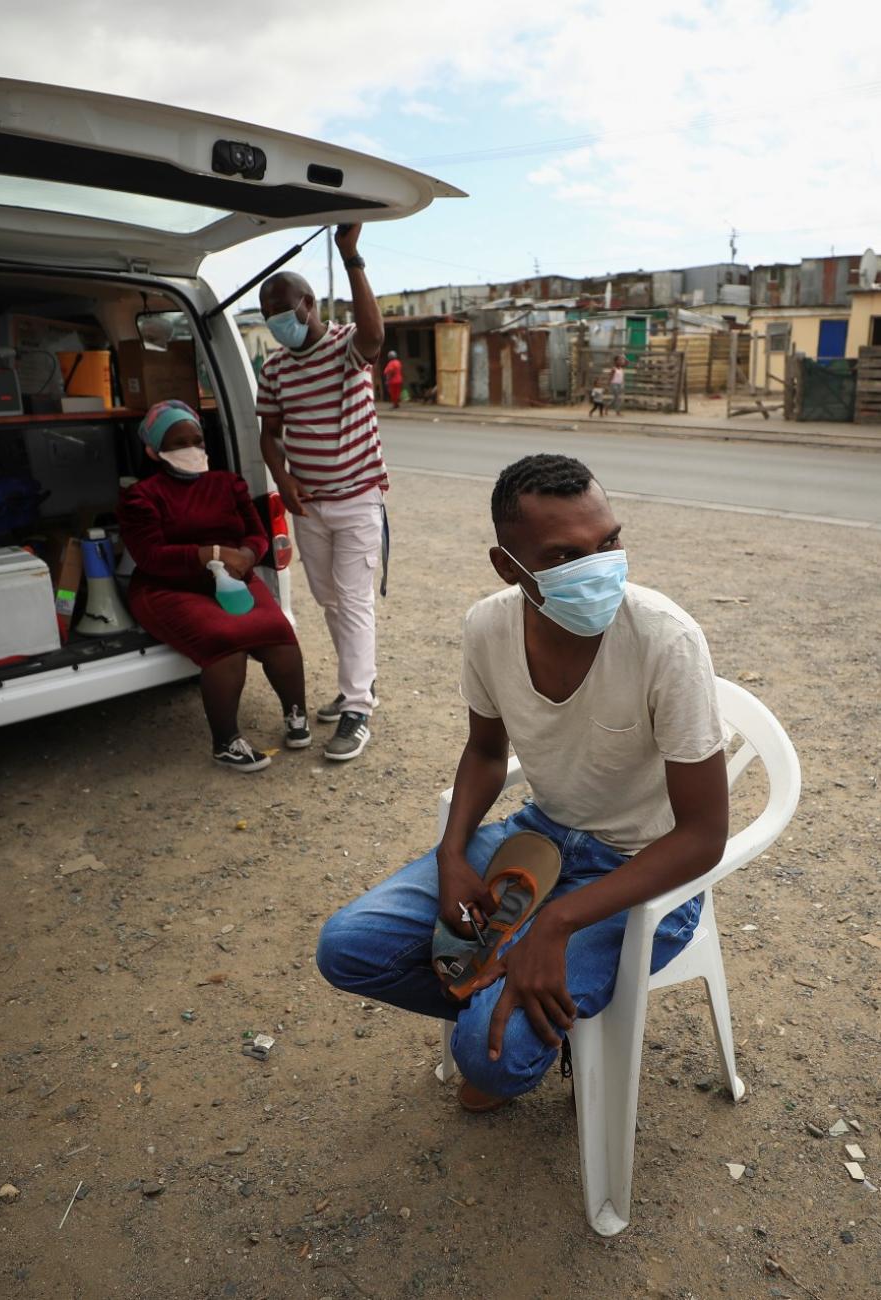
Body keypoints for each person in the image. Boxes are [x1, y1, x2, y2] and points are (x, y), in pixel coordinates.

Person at [316, 453, 728, 1112]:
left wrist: (556, 924)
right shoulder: (489, 625)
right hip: (540, 838)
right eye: (566, 556)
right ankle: (506, 988)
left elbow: (705, 837)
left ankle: (508, 997)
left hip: (646, 874)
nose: (599, 568)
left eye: (609, 542)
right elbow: (484, 751)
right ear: (508, 566)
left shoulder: (664, 640)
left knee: (490, 1060)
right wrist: (453, 854)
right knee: (347, 949)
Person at [118, 400, 309, 772]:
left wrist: (248, 557)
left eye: (197, 440)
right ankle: (225, 742)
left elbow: (258, 534)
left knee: (277, 631)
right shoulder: (141, 496)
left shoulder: (228, 484)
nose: (192, 449)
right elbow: (150, 556)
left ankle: (296, 714)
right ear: (153, 451)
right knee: (226, 643)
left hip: (235, 575)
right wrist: (213, 553)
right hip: (167, 586)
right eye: (178, 443)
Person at [257, 223, 386, 763]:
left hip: (358, 499)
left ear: (308, 304)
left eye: (284, 309)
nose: (277, 322)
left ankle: (357, 708)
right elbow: (269, 434)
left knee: (353, 599)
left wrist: (350, 255)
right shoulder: (274, 368)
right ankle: (359, 685)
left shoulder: (344, 348)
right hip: (308, 504)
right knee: (329, 600)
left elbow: (375, 338)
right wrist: (284, 482)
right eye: (269, 315)